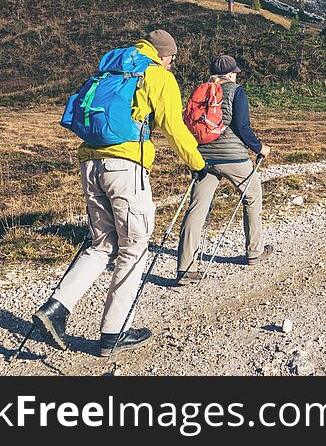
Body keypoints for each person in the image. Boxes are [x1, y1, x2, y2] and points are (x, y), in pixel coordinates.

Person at [34, 29, 206, 356]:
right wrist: (197, 163)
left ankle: (56, 310)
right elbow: (173, 125)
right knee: (135, 244)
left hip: (91, 163)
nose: (171, 63)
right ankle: (114, 332)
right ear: (163, 55)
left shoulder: (114, 67)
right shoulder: (157, 76)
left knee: (102, 244)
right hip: (125, 168)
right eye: (171, 57)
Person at [176, 54, 271, 283]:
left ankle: (185, 267)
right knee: (252, 194)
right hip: (231, 156)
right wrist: (259, 147)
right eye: (235, 72)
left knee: (197, 207)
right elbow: (241, 126)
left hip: (203, 156)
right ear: (230, 73)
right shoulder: (236, 91)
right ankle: (254, 251)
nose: (236, 75)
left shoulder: (202, 90)